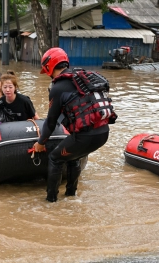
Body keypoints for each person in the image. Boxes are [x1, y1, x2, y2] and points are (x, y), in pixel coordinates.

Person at [33, 47, 115, 202]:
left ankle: (50, 202)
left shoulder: (58, 87)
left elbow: (50, 122)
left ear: (49, 67)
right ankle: (71, 196)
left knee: (55, 158)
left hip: (86, 137)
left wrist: (40, 143)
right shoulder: (81, 79)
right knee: (73, 156)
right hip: (103, 133)